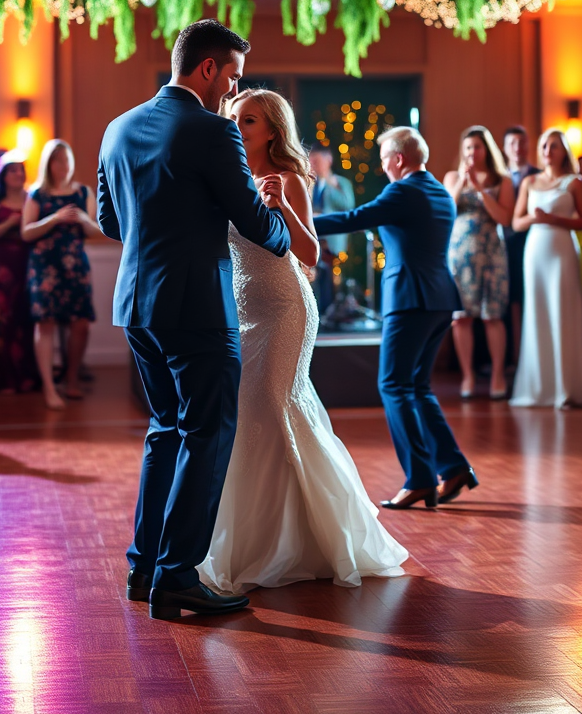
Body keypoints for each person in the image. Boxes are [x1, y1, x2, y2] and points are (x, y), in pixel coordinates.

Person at [97, 18, 290, 621]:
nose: (232, 92)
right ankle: (178, 576)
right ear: (207, 68)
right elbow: (254, 223)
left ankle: (144, 566)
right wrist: (280, 227)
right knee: (207, 432)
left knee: (165, 431)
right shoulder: (214, 132)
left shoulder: (116, 128)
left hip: (137, 305)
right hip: (198, 307)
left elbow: (110, 222)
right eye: (231, 77)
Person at [199, 89, 407, 592]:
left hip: (287, 306)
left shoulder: (289, 178)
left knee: (275, 402)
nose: (237, 126)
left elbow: (312, 253)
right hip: (242, 308)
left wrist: (281, 208)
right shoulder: (227, 178)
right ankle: (258, 537)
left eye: (247, 120)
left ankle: (312, 538)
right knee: (250, 413)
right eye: (234, 118)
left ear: (271, 129)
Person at [313, 127, 478, 510]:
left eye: (385, 159)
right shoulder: (438, 190)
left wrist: (298, 219)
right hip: (440, 299)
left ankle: (419, 479)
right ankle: (453, 467)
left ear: (398, 160)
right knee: (417, 387)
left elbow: (354, 218)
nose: (383, 167)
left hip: (411, 299)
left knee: (393, 385)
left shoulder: (403, 190)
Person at [509, 129, 582, 409]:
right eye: (544, 145)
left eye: (554, 146)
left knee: (563, 310)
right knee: (537, 312)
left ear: (564, 151)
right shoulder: (529, 182)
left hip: (561, 250)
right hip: (535, 251)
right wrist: (536, 220)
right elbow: (516, 222)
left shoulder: (574, 183)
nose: (548, 150)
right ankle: (538, 386)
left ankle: (566, 388)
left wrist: (555, 219)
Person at [22, 140, 102, 411]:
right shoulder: (37, 194)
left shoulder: (83, 192)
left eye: (67, 161)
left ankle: (72, 378)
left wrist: (82, 219)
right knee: (45, 324)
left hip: (75, 266)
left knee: (80, 323)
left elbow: (96, 230)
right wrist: (54, 219)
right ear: (49, 165)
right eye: (58, 161)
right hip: (44, 267)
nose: (63, 167)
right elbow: (26, 232)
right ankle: (48, 387)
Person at [443, 126, 513, 400]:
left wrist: (482, 189)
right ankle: (468, 375)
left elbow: (504, 219)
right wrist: (463, 182)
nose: (473, 153)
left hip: (491, 254)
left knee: (492, 316)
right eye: (468, 147)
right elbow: (447, 210)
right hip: (460, 255)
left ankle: (497, 375)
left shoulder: (501, 180)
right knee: (461, 319)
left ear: (487, 150)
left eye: (478, 147)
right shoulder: (452, 177)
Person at [0, 151, 38, 394]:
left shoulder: (32, 198)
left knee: (26, 319)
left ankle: (27, 377)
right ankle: (4, 380)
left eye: (21, 170)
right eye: (12, 170)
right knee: (2, 321)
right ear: (3, 175)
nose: (18, 174)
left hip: (27, 265)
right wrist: (9, 225)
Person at [502, 126, 541, 368]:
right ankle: (512, 361)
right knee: (508, 304)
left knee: (531, 300)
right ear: (505, 148)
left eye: (522, 142)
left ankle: (533, 360)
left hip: (533, 245)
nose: (518, 148)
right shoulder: (498, 178)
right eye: (513, 143)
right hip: (504, 247)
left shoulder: (540, 175)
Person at [309, 144, 355, 312]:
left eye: (317, 160)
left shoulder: (340, 182)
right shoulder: (309, 182)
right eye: (311, 160)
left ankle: (332, 313)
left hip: (332, 240)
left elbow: (348, 205)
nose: (314, 164)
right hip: (314, 237)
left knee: (332, 280)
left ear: (328, 160)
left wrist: (330, 182)